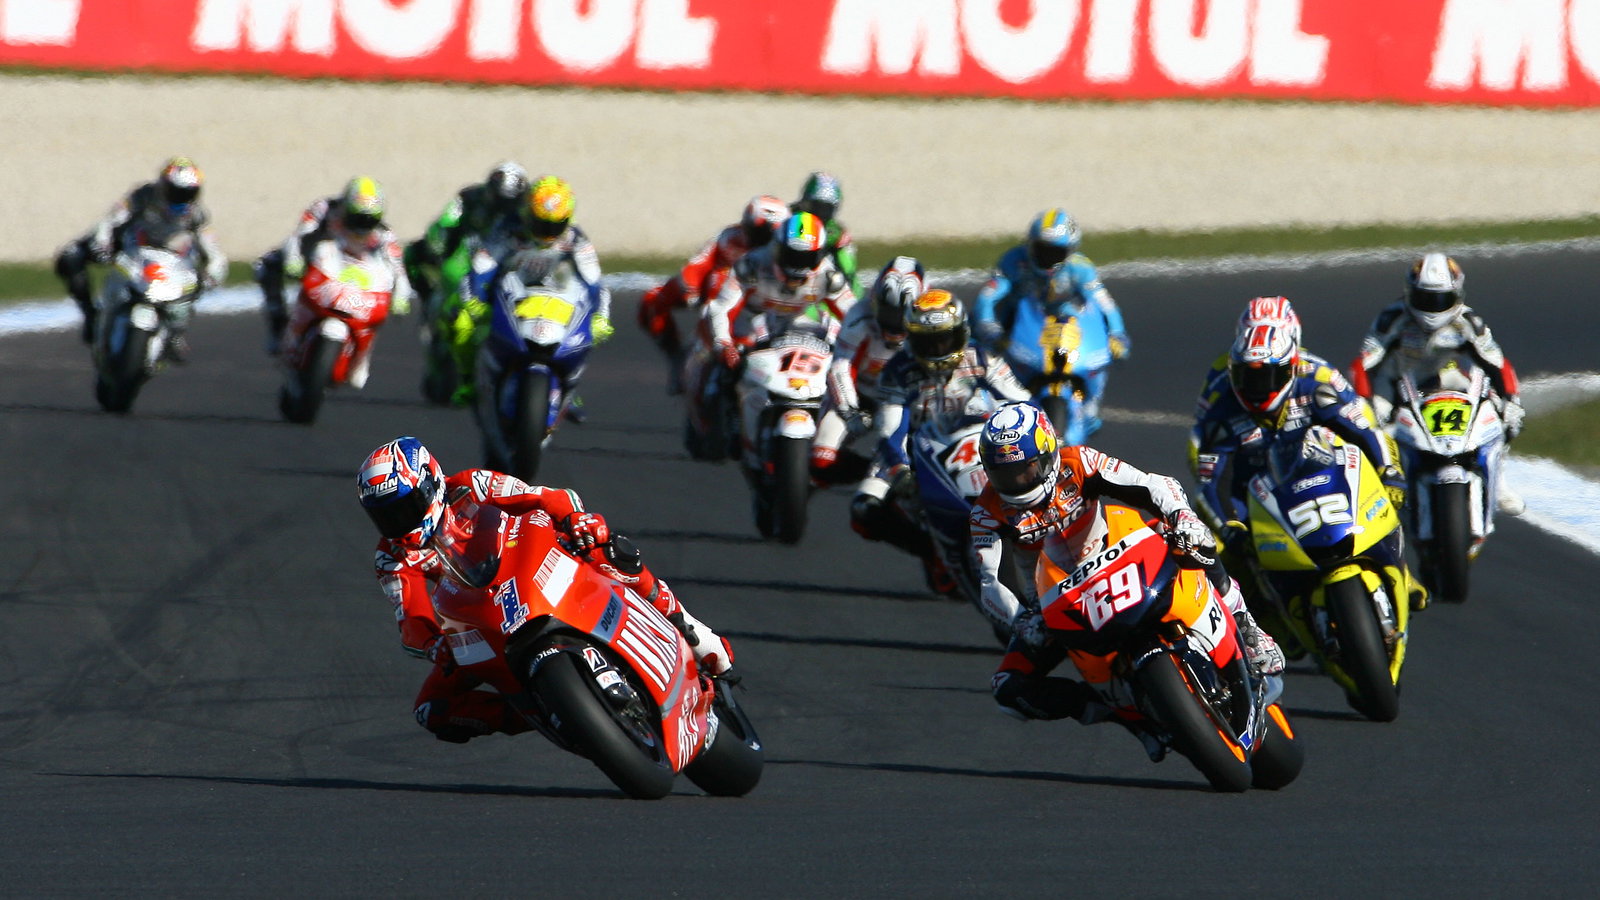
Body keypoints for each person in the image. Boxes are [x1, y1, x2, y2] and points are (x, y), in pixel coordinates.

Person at [357, 436, 733, 744]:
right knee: (432, 710)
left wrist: (575, 519)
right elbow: (411, 615)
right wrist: (434, 644)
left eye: (404, 506)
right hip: (481, 624)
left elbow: (544, 497)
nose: (397, 520)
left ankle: (685, 624)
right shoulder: (391, 557)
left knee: (608, 550)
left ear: (429, 483)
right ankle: (548, 712)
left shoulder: (473, 485)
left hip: (536, 567)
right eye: (384, 514)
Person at [973, 402, 1284, 759]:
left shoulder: (1080, 461)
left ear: (1047, 455)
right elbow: (991, 582)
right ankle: (1123, 716)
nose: (1016, 482)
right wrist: (1022, 620)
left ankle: (1246, 626)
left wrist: (1181, 515)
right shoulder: (986, 512)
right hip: (1055, 602)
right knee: (1008, 689)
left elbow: (1151, 484)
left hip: (1119, 552)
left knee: (1195, 539)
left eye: (1024, 470)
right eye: (1004, 474)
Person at [1188, 296, 1415, 604]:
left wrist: (1389, 472)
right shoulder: (1221, 396)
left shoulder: (1317, 378)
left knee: (1372, 473)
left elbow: (1363, 428)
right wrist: (1229, 528)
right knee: (1221, 550)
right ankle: (1249, 613)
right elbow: (1208, 473)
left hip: (1315, 463)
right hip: (1252, 479)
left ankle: (1401, 571)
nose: (1257, 387)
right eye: (1247, 377)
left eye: (1267, 377)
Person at [851, 289, 1031, 590]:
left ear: (961, 333)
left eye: (945, 339)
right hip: (915, 448)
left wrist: (1046, 437)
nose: (937, 349)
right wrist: (898, 467)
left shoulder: (982, 357)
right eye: (927, 341)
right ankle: (932, 552)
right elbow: (890, 428)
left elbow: (1023, 401)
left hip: (979, 439)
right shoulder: (897, 371)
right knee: (864, 509)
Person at [1350, 252, 1525, 513]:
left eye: (1441, 299)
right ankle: (1380, 488)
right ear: (1410, 293)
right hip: (1396, 380)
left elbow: (1498, 364)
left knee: (1500, 415)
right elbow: (1363, 364)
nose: (1432, 309)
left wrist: (1511, 401)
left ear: (1457, 294)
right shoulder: (1391, 319)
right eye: (1425, 298)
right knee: (1371, 427)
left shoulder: (1469, 322)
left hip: (1447, 376)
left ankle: (1499, 484)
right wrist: (1365, 403)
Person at [441, 175, 614, 407]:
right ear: (527, 213)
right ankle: (468, 380)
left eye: (554, 225)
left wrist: (600, 316)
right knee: (460, 321)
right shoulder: (507, 230)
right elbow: (481, 268)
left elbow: (595, 283)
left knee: (584, 335)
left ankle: (567, 387)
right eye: (540, 223)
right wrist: (474, 301)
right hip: (508, 295)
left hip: (555, 298)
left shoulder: (576, 239)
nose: (547, 232)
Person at [54, 156, 227, 346]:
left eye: (187, 192)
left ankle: (175, 330)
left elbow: (213, 250)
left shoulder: (197, 215)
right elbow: (111, 219)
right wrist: (101, 242)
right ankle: (90, 314)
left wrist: (213, 272)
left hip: (173, 263)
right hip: (132, 251)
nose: (180, 197)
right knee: (70, 256)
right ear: (163, 184)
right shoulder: (142, 196)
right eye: (175, 191)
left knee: (194, 286)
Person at [636, 194, 787, 393]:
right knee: (653, 300)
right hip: (724, 298)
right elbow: (700, 263)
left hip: (767, 302)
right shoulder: (729, 237)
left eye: (766, 234)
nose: (757, 239)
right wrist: (690, 286)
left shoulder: (786, 252)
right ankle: (678, 357)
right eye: (754, 230)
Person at [255, 176, 412, 355]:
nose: (362, 226)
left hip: (357, 276)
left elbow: (399, 269)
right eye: (356, 218)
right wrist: (294, 259)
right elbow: (297, 236)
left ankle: (359, 354)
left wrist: (401, 298)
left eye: (370, 220)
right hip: (317, 263)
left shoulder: (384, 234)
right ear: (346, 206)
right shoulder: (323, 209)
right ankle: (278, 325)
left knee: (376, 310)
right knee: (266, 265)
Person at [812, 256, 926, 486]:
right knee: (820, 460)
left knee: (903, 459)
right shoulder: (858, 316)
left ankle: (886, 476)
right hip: (858, 397)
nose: (894, 322)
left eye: (901, 314)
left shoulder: (928, 325)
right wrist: (849, 410)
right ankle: (866, 470)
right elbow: (840, 365)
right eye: (888, 313)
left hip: (900, 402)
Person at [970, 208, 1128, 364]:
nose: (1047, 258)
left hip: (1062, 325)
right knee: (978, 346)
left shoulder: (1081, 268)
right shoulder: (1013, 260)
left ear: (1070, 251)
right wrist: (989, 328)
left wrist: (1117, 335)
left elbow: (1106, 304)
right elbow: (987, 297)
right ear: (1030, 245)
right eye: (1041, 250)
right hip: (1016, 323)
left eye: (1055, 253)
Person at [403, 162, 530, 323]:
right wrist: (439, 240)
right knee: (417, 255)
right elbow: (445, 222)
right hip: (470, 247)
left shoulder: (525, 212)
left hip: (507, 254)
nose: (502, 207)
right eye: (498, 199)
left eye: (508, 202)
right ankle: (431, 302)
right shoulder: (469, 197)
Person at [790, 171, 860, 296]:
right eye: (815, 206)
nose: (820, 213)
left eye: (826, 208)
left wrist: (854, 299)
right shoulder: (787, 217)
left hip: (813, 286)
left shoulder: (836, 233)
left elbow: (849, 273)